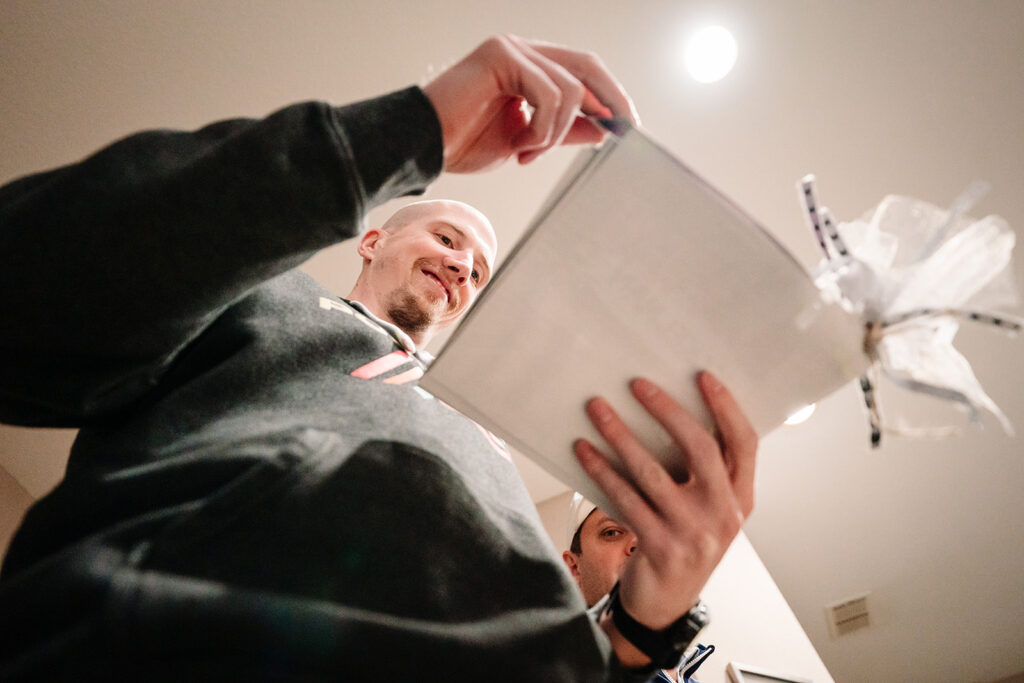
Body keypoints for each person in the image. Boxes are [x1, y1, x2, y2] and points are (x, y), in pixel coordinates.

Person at [0, 34, 757, 681]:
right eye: (448, 239)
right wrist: (409, 130)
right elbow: (32, 290)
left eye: (479, 269)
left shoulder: (489, 439)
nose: (464, 267)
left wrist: (638, 632)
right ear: (374, 239)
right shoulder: (253, 295)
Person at [562, 494, 715, 682]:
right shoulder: (554, 666)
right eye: (612, 532)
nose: (641, 544)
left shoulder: (686, 672)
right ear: (574, 567)